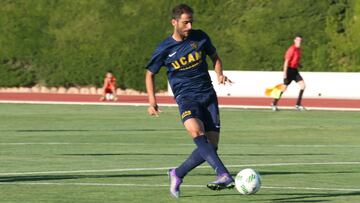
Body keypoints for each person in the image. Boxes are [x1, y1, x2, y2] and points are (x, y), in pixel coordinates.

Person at [145, 4, 234, 198]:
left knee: (211, 146)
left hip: (208, 96)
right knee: (196, 131)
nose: (189, 26)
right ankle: (223, 174)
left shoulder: (200, 37)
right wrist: (152, 101)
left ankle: (177, 173)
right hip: (186, 98)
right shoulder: (164, 48)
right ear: (174, 22)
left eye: (191, 21)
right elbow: (150, 74)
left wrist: (219, 74)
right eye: (185, 22)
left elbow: (215, 57)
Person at [271, 35, 306, 111]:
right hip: (289, 70)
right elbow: (286, 61)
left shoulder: (298, 50)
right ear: (294, 40)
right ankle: (274, 103)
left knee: (303, 86)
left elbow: (295, 60)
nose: (299, 41)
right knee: (284, 88)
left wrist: (299, 65)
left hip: (295, 70)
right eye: (298, 40)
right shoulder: (292, 49)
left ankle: (298, 104)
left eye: (300, 40)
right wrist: (285, 73)